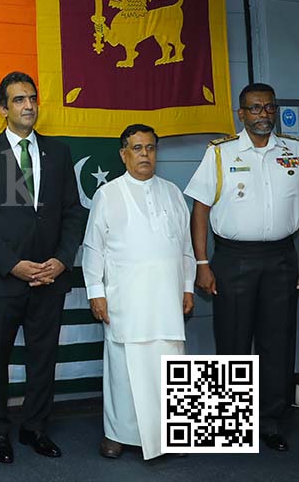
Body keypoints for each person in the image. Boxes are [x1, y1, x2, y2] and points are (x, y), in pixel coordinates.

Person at [0, 71, 85, 463]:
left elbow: (71, 213)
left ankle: (35, 428)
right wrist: (13, 265)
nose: (28, 105)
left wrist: (62, 260)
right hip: (5, 279)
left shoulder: (59, 153)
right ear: (2, 108)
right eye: (18, 100)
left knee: (43, 358)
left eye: (32, 98)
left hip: (50, 278)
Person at [184, 82, 299, 452]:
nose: (263, 115)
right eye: (254, 108)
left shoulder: (294, 152)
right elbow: (200, 209)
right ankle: (230, 422)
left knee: (277, 340)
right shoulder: (220, 153)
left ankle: (270, 419)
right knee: (232, 337)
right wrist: (202, 262)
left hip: (283, 258)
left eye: (269, 108)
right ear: (241, 113)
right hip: (233, 259)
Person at [83, 124, 195, 460]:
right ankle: (118, 435)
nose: (144, 154)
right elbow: (93, 249)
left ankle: (174, 434)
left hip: (167, 299)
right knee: (123, 369)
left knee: (170, 367)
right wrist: (95, 292)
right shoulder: (108, 194)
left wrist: (188, 287)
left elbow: (186, 247)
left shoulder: (173, 192)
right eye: (136, 148)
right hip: (125, 299)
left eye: (150, 148)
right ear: (123, 154)